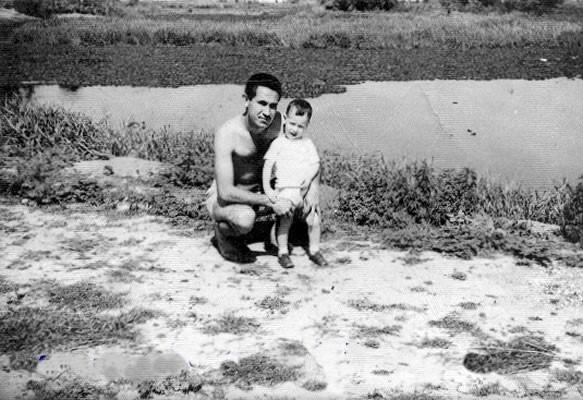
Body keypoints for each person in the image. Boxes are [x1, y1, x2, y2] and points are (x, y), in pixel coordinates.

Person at [206, 73, 297, 263]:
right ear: (246, 100)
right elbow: (225, 192)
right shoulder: (228, 133)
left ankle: (274, 232)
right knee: (245, 218)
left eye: (273, 106)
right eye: (261, 103)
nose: (267, 112)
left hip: (261, 191)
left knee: (299, 197)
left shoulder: (280, 123)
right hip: (227, 199)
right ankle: (224, 234)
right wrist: (271, 201)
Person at [262, 99, 329, 269]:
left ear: (307, 126)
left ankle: (314, 250)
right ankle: (283, 252)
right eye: (292, 124)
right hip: (285, 190)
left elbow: (315, 164)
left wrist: (309, 178)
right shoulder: (278, 143)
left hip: (303, 190)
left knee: (314, 219)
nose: (294, 129)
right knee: (285, 220)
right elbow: (267, 166)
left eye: (300, 126)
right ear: (285, 119)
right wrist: (268, 189)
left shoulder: (307, 143)